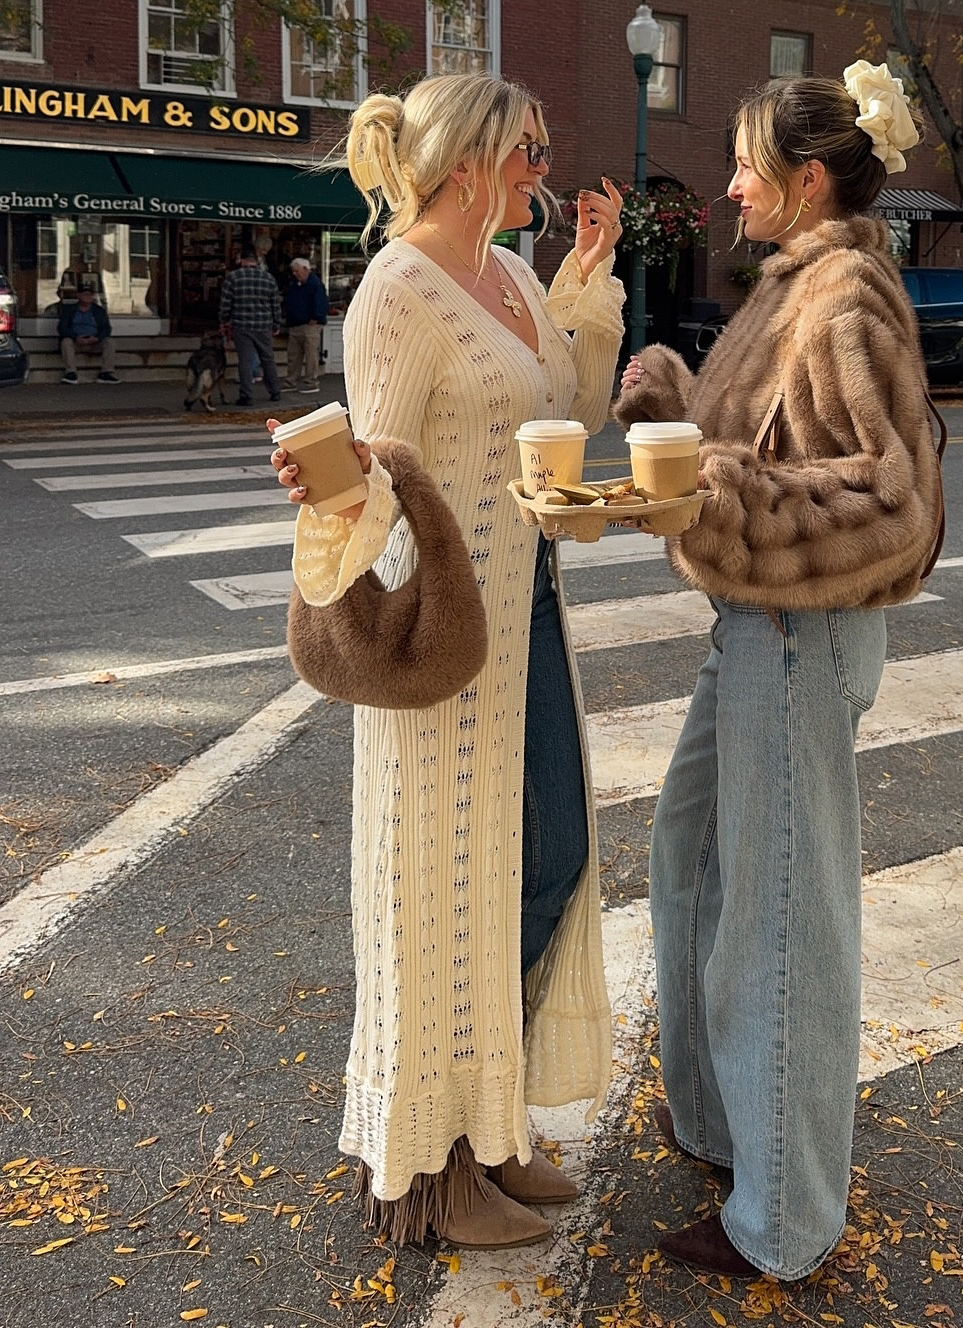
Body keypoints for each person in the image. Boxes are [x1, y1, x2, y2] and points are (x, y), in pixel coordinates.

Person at [268, 74, 625, 1249]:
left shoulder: (514, 278)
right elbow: (371, 467)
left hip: (533, 622)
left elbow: (572, 402)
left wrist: (585, 276)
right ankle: (430, 1167)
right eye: (529, 148)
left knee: (552, 859)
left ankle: (492, 1114)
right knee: (441, 894)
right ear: (471, 156)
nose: (544, 165)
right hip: (447, 644)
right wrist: (327, 494)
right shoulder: (397, 290)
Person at [615, 67, 941, 1283]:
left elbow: (891, 501)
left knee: (780, 920)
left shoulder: (842, 291)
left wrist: (721, 492)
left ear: (806, 183)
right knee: (692, 856)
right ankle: (715, 1122)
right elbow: (766, 449)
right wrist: (673, 404)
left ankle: (784, 1221)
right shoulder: (796, 283)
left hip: (796, 635)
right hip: (758, 627)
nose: (731, 183)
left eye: (750, 164)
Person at [219, 244, 282, 406]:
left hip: (242, 325)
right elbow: (275, 304)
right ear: (256, 261)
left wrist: (224, 320)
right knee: (267, 358)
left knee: (245, 361)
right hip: (264, 325)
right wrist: (276, 323)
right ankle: (275, 391)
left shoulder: (233, 278)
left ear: (242, 260)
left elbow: (226, 304)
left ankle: (247, 395)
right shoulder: (268, 279)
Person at [283, 257, 329, 394]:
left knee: (310, 355)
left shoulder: (315, 284)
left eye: (297, 271)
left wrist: (316, 317)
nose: (295, 274)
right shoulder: (295, 284)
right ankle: (291, 381)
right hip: (296, 323)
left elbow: (321, 302)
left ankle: (311, 382)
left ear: (305, 269)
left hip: (310, 324)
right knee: (294, 355)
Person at [57, 285, 117, 383]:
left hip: (94, 342)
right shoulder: (69, 310)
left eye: (90, 294)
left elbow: (106, 328)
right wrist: (75, 337)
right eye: (85, 294)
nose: (88, 297)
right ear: (79, 295)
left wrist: (97, 338)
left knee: (110, 342)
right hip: (76, 342)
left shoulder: (99, 311)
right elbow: (62, 328)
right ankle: (70, 373)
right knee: (66, 342)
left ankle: (106, 372)